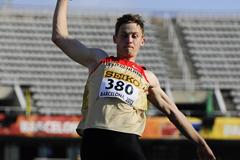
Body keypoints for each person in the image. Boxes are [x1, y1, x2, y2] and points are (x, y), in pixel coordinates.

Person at [52, 0, 216, 160]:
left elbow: (172, 112)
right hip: (95, 138)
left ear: (142, 41)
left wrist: (200, 142)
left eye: (134, 36)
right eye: (124, 35)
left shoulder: (147, 77)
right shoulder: (99, 60)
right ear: (115, 38)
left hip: (126, 140)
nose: (129, 40)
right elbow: (60, 37)